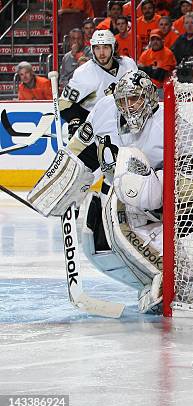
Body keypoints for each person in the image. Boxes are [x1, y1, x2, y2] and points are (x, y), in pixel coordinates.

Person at [28, 71, 166, 314]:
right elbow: (82, 149)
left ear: (149, 97)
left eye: (133, 99)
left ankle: (166, 273)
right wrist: (59, 185)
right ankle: (153, 279)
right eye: (122, 100)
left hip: (160, 195)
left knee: (123, 201)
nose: (128, 106)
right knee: (95, 245)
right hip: (122, 192)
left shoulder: (167, 119)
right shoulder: (105, 109)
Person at [59, 30, 138, 136]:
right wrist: (74, 120)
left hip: (126, 124)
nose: (101, 53)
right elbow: (63, 103)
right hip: (96, 126)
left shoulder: (128, 64)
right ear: (92, 49)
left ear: (113, 47)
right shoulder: (84, 73)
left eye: (105, 47)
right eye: (97, 48)